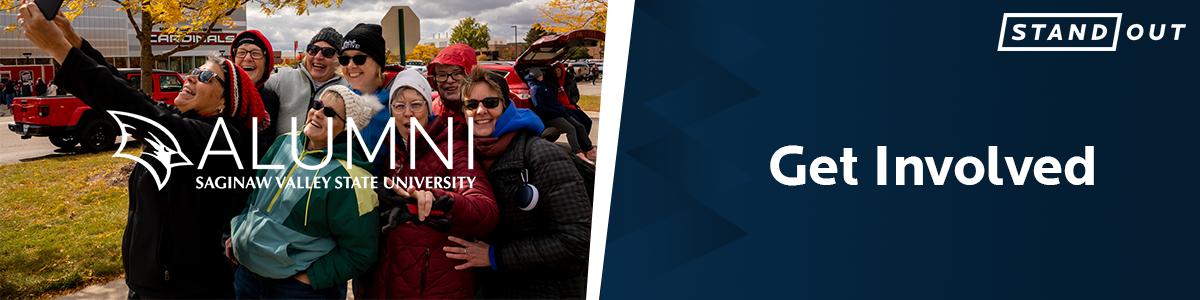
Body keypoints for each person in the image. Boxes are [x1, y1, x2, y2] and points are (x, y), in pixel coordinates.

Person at [18, 4, 269, 298]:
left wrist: (59, 49)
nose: (190, 77)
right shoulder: (185, 122)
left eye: (204, 77)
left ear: (225, 102)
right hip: (149, 285)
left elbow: (138, 111)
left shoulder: (221, 137)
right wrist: (74, 41)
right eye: (193, 71)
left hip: (189, 290)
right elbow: (129, 92)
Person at [447, 67, 591, 299]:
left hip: (549, 289)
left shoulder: (541, 155)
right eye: (471, 105)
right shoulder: (468, 156)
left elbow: (575, 240)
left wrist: (495, 256)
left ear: (506, 105)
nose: (480, 110)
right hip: (501, 285)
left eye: (490, 102)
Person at [228, 85, 382, 299]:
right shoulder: (285, 142)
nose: (317, 113)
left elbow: (361, 251)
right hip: (247, 276)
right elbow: (256, 194)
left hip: (296, 290)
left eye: (329, 113)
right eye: (317, 105)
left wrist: (311, 278)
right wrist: (240, 231)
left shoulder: (352, 178)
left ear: (347, 128)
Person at [360, 69, 497, 299]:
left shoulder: (453, 148)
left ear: (428, 109)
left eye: (416, 104)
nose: (408, 114)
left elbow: (485, 210)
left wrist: (438, 199)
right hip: (387, 282)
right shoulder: (391, 151)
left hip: (435, 284)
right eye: (399, 106)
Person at [263, 27, 347, 138]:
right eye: (313, 50)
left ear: (339, 59)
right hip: (282, 154)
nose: (318, 56)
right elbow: (252, 88)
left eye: (328, 52)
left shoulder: (348, 90)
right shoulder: (283, 78)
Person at [338, 23, 393, 150]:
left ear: (378, 61)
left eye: (359, 58)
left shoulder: (400, 104)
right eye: (344, 59)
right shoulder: (339, 103)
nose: (351, 66)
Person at [527, 67, 595, 164]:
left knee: (579, 126)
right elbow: (539, 107)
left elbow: (553, 101)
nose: (543, 76)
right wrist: (556, 111)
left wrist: (561, 109)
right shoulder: (536, 88)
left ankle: (590, 150)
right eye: (541, 75)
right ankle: (578, 153)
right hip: (551, 116)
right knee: (570, 129)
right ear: (538, 77)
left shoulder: (542, 85)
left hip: (560, 112)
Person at [231, 30, 276, 159]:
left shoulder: (268, 100)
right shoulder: (217, 92)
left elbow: (261, 148)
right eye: (241, 52)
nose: (247, 58)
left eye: (256, 53)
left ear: (266, 64)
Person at [426, 43, 477, 119]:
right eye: (442, 75)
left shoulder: (487, 109)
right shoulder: (431, 111)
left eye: (457, 73)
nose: (450, 81)